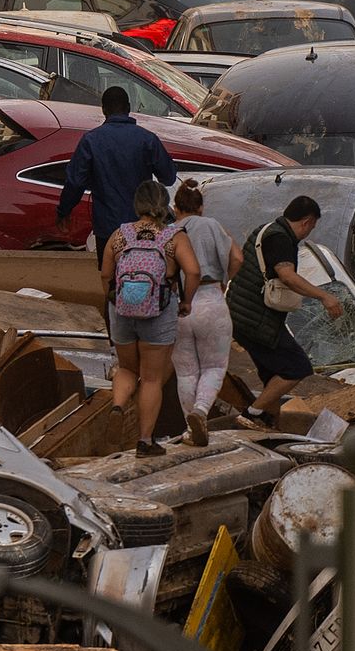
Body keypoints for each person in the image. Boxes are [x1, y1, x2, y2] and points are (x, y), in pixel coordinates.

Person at [101, 181, 200, 457]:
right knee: (152, 378)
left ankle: (118, 405)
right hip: (159, 311)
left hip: (122, 311)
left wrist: (114, 300)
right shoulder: (173, 237)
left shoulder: (120, 235)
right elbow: (193, 272)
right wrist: (186, 301)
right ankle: (145, 441)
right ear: (164, 204)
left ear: (138, 205)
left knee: (127, 368)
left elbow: (105, 275)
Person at [226, 196, 342, 427]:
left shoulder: (266, 229)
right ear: (307, 222)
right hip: (257, 321)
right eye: (312, 227)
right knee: (297, 367)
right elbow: (287, 276)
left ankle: (269, 422)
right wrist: (324, 296)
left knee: (272, 375)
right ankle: (252, 414)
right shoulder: (280, 239)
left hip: (240, 316)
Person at [57, 86, 178, 265]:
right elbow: (168, 177)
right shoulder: (147, 140)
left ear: (104, 110)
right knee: (143, 275)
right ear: (129, 108)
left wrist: (63, 211)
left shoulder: (90, 141)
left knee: (111, 279)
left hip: (108, 228)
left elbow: (75, 183)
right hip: (142, 226)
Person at [171, 179, 243, 446]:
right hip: (210, 298)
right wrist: (226, 279)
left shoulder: (170, 231)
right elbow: (237, 258)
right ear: (201, 207)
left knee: (186, 372)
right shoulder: (213, 225)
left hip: (179, 305)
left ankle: (190, 429)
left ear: (176, 208)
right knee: (214, 366)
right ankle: (200, 411)